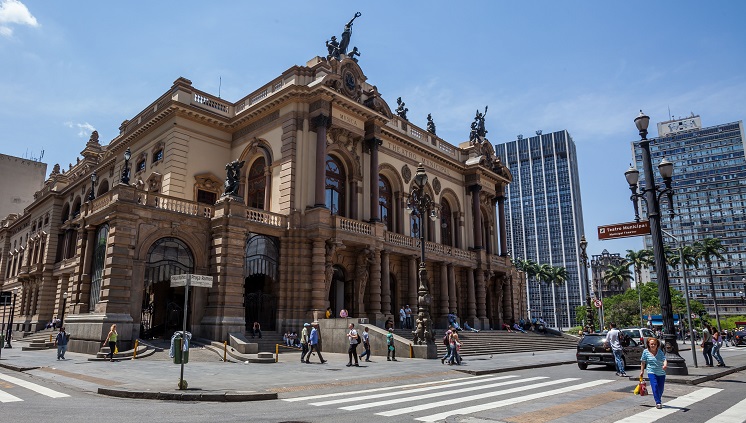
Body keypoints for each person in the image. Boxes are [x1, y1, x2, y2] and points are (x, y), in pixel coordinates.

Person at [640, 337, 668, 409]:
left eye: (655, 344)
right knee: (654, 386)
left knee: (661, 389)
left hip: (661, 372)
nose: (653, 345)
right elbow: (643, 362)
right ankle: (658, 402)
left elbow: (664, 359)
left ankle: (658, 397)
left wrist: (665, 365)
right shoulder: (645, 352)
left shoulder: (660, 352)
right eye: (651, 344)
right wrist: (642, 371)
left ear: (657, 345)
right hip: (651, 371)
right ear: (648, 344)